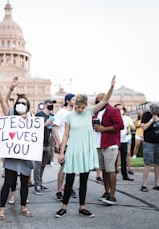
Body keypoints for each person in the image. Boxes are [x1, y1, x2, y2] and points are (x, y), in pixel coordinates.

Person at [55, 75, 116, 219]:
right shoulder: (69, 116)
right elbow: (65, 136)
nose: (81, 109)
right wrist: (62, 153)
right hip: (73, 150)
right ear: (75, 104)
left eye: (83, 107)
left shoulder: (89, 111)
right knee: (69, 180)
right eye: (79, 107)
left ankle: (82, 207)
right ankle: (64, 207)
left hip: (86, 151)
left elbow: (105, 100)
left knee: (84, 181)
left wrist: (111, 87)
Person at [0, 75, 34, 220]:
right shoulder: (10, 114)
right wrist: (5, 88)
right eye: (19, 102)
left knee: (24, 183)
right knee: (8, 182)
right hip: (12, 156)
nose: (21, 105)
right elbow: (3, 101)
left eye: (24, 103)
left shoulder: (31, 118)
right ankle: (1, 209)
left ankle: (23, 207)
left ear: (28, 107)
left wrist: (27, 119)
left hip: (25, 156)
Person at [94, 91, 124, 205]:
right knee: (104, 170)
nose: (96, 100)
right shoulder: (96, 112)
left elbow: (120, 125)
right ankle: (106, 192)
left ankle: (112, 195)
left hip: (110, 144)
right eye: (96, 99)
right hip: (99, 144)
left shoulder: (113, 110)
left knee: (110, 169)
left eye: (99, 99)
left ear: (105, 99)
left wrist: (104, 129)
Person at [52, 93, 77, 201]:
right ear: (68, 101)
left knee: (72, 168)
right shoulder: (62, 113)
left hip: (75, 144)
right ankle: (59, 190)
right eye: (73, 99)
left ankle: (68, 187)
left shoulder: (77, 113)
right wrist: (58, 142)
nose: (75, 101)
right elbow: (54, 128)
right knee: (64, 167)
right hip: (65, 143)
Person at [33, 98, 55, 195]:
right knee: (37, 165)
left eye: (52, 103)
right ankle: (36, 185)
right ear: (45, 104)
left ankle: (40, 182)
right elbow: (34, 127)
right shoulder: (39, 115)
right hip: (38, 143)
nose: (51, 105)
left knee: (43, 165)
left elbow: (52, 130)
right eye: (50, 103)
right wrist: (45, 124)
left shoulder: (51, 116)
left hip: (47, 143)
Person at [140, 102, 159, 192]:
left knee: (158, 164)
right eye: (153, 109)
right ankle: (144, 184)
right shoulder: (146, 115)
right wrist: (152, 120)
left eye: (157, 109)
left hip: (158, 142)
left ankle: (157, 183)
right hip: (149, 142)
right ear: (150, 109)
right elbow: (143, 128)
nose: (155, 110)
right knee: (147, 163)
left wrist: (158, 119)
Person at [114, 104, 133, 181]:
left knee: (123, 158)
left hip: (124, 140)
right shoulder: (113, 118)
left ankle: (125, 175)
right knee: (114, 158)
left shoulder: (125, 118)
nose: (120, 110)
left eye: (121, 109)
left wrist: (128, 130)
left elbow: (128, 127)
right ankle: (113, 175)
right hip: (115, 140)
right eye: (118, 109)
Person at [122, 107, 135, 175]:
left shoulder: (128, 118)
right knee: (118, 154)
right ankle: (117, 168)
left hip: (127, 138)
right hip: (119, 138)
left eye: (122, 110)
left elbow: (133, 127)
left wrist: (130, 125)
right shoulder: (117, 117)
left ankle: (129, 168)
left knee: (128, 153)